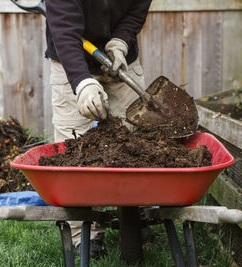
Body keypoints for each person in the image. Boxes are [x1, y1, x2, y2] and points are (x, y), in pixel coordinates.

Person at [44, 0, 152, 257]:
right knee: (74, 145)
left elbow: (138, 6)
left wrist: (121, 42)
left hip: (120, 59)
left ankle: (136, 214)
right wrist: (82, 83)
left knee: (138, 138)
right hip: (70, 58)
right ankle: (85, 233)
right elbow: (65, 31)